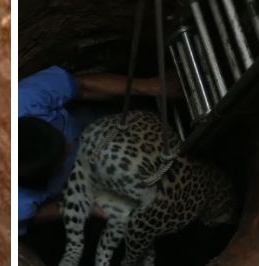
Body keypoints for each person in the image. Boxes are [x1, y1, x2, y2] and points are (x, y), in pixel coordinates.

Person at [18, 66, 181, 236]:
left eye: (61, 138)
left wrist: (153, 87)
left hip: (89, 121)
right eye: (64, 154)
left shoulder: (23, 99)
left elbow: (82, 86)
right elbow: (33, 216)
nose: (71, 146)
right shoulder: (15, 206)